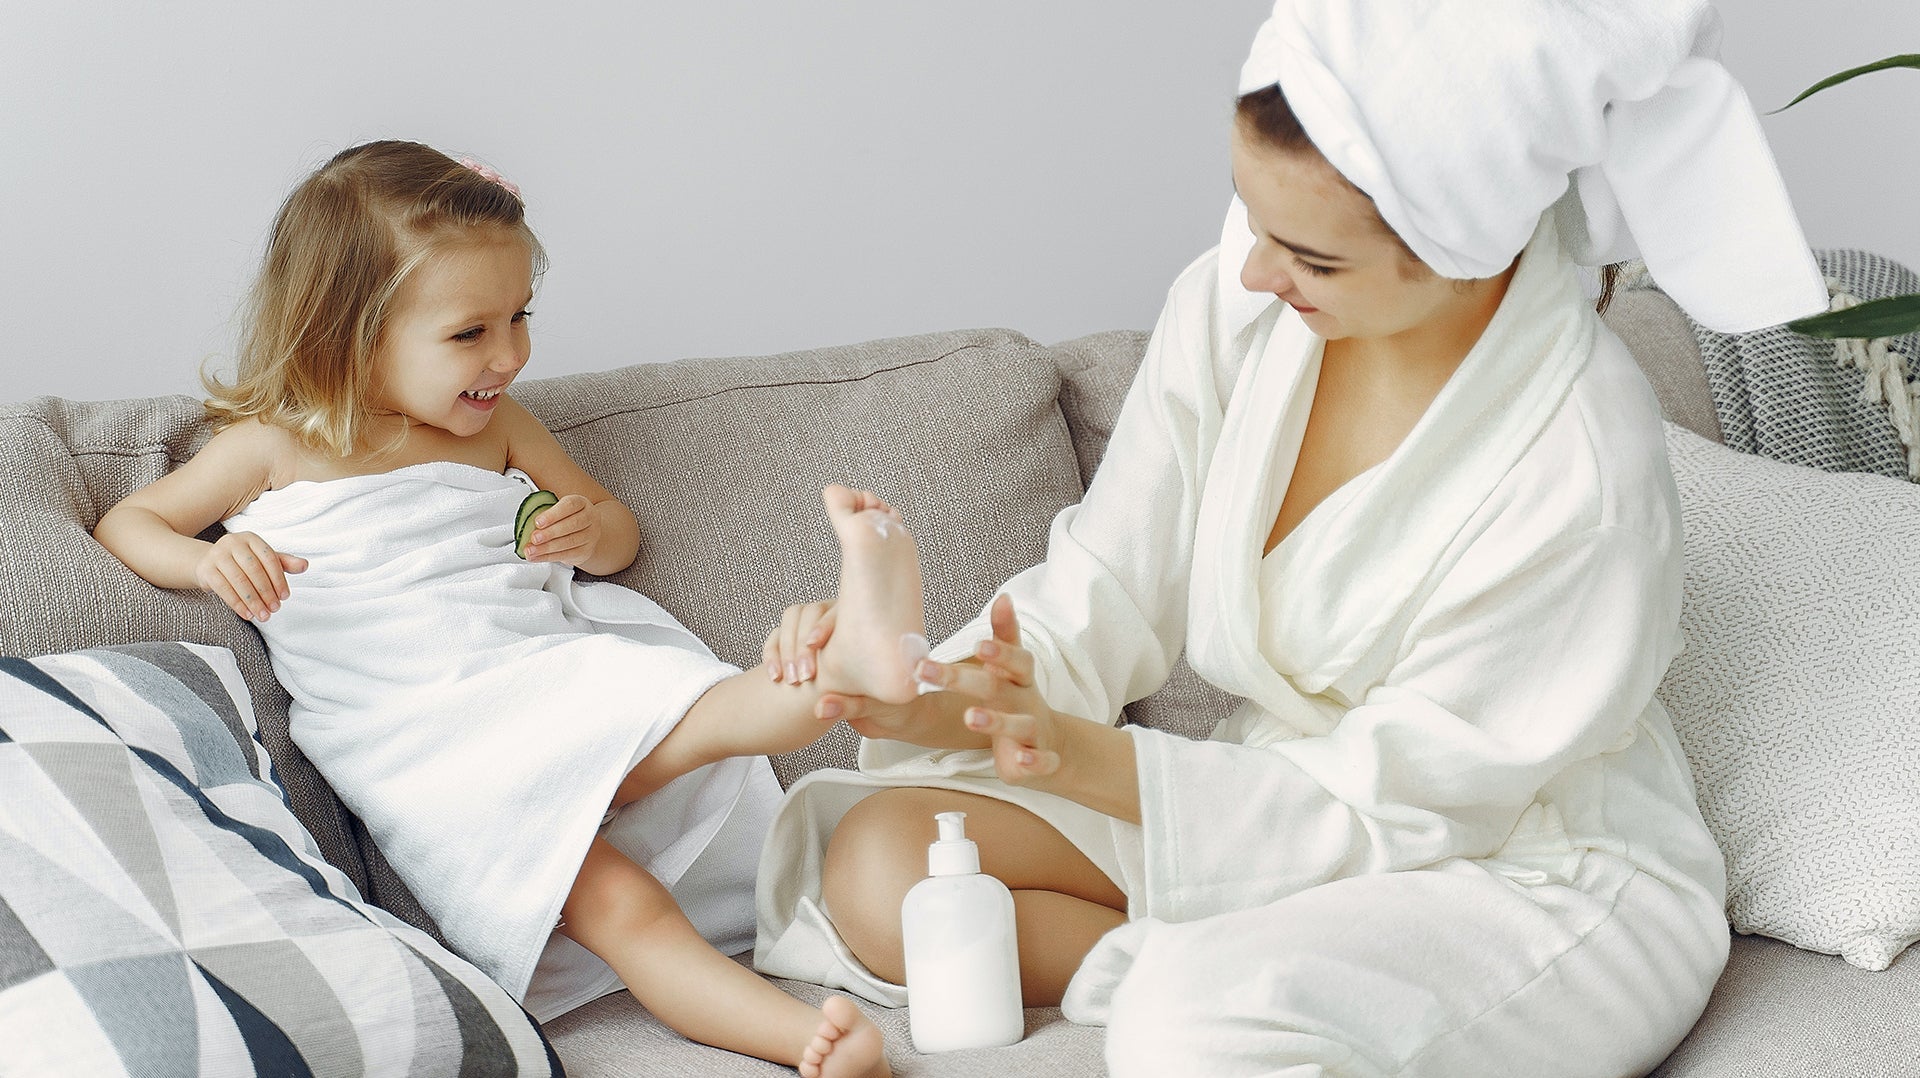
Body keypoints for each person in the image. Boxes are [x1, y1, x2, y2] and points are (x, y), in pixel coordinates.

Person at [753, 2, 1829, 1074]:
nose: (1259, 272)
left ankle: (1214, 979)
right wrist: (932, 693)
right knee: (882, 859)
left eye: (1311, 256)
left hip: (1518, 868)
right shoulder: (1241, 299)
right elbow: (1109, 582)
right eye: (1251, 216)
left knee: (1189, 1028)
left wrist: (1087, 759)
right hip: (1281, 799)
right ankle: (1245, 964)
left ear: (1464, 249)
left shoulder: (1580, 469)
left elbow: (1398, 804)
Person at [92, 139, 927, 1078]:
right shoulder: (275, 447)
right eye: (469, 333)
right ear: (347, 333)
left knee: (666, 709)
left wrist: (584, 533)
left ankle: (841, 678)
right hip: (425, 736)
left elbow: (616, 530)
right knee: (621, 912)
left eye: (520, 317)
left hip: (531, 673)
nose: (511, 356)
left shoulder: (501, 432)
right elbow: (133, 522)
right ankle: (804, 1041)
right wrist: (211, 564)